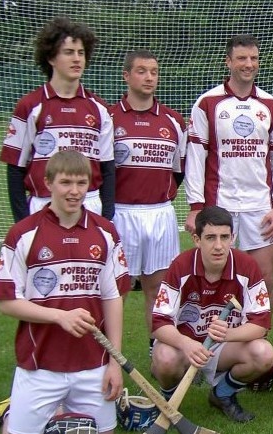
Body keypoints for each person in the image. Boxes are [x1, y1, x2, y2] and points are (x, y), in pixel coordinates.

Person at [0, 149, 130, 434]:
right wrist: (59, 316)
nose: (74, 191)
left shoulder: (105, 232)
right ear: (48, 183)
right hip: (40, 363)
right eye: (66, 182)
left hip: (92, 362)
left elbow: (113, 298)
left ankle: (59, 408)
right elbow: (7, 303)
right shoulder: (23, 234)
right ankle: (10, 411)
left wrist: (114, 362)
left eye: (81, 183)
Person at [184, 34, 273, 297]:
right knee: (216, 279)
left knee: (264, 279)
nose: (249, 64)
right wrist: (195, 208)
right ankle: (216, 324)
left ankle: (257, 325)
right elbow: (195, 159)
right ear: (228, 62)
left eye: (254, 58)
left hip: (260, 205)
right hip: (220, 204)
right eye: (242, 58)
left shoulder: (271, 105)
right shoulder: (207, 103)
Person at [150, 206, 273, 423]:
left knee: (264, 353)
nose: (218, 246)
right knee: (164, 357)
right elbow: (159, 323)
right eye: (210, 238)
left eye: (224, 237)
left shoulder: (247, 266)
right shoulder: (181, 266)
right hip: (185, 347)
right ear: (196, 239)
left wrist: (227, 334)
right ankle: (170, 402)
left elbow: (260, 324)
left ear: (232, 238)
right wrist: (186, 344)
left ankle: (222, 394)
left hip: (223, 347)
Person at [0, 16, 115, 223]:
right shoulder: (30, 106)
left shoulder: (100, 108)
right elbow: (15, 169)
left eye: (81, 53)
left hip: (89, 204)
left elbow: (107, 169)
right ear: (51, 58)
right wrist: (22, 223)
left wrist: (107, 217)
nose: (77, 59)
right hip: (43, 205)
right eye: (69, 52)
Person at [109, 50, 187, 340]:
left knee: (158, 289)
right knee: (115, 289)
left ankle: (159, 350)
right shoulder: (108, 117)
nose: (149, 77)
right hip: (120, 213)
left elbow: (179, 170)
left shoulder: (173, 121)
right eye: (141, 71)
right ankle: (109, 354)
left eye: (154, 72)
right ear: (126, 76)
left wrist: (160, 193)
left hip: (160, 213)